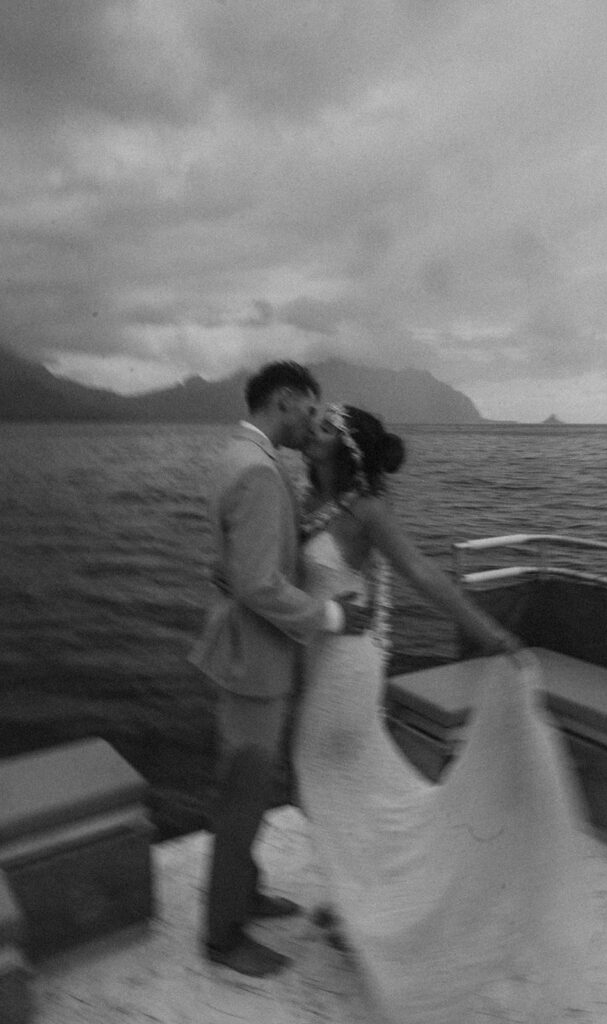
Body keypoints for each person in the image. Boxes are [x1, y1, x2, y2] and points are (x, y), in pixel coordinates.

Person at [294, 404, 599, 1023]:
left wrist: (491, 634)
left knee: (325, 772)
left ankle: (374, 907)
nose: (313, 431)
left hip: (349, 664)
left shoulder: (366, 511)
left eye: (327, 427)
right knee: (358, 783)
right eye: (315, 424)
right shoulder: (310, 504)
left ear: (349, 449)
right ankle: (361, 902)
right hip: (319, 655)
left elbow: (421, 573)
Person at [189, 365, 371, 979]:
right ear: (285, 400)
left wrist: (238, 574)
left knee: (249, 785)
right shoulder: (261, 472)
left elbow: (240, 565)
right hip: (254, 661)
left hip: (240, 650)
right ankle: (222, 936)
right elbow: (260, 584)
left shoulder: (236, 454)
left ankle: (246, 891)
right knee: (244, 793)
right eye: (309, 411)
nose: (311, 426)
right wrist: (332, 615)